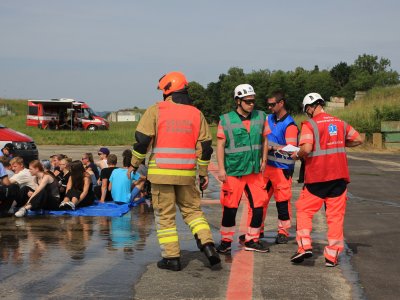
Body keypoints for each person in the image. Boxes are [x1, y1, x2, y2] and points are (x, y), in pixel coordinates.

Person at [130, 71, 220, 271]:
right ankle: (208, 245)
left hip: (161, 174)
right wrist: (203, 173)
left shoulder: (156, 110)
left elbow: (142, 140)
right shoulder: (197, 113)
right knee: (193, 212)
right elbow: (205, 147)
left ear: (167, 90)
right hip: (187, 175)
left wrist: (134, 164)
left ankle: (172, 258)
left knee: (165, 216)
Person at [290, 92, 363, 267]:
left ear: (310, 107)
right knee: (335, 217)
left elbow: (306, 148)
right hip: (339, 178)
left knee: (304, 210)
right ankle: (332, 256)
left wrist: (296, 154)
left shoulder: (310, 125)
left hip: (317, 178)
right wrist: (340, 143)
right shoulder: (339, 123)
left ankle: (304, 246)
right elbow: (358, 139)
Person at [216, 84, 270, 253]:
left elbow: (265, 140)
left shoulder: (261, 117)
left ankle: (252, 239)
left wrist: (264, 160)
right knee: (230, 208)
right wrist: (221, 169)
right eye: (247, 101)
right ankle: (226, 242)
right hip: (234, 171)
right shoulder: (225, 120)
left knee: (259, 205)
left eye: (253, 101)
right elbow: (220, 144)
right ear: (238, 101)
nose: (251, 104)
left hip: (254, 171)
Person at [261, 91, 299, 244]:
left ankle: (283, 232)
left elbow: (292, 148)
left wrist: (272, 147)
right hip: (267, 168)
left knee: (282, 202)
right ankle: (257, 229)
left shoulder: (289, 124)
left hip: (282, 169)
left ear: (281, 103)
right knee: (259, 201)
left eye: (272, 104)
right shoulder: (268, 119)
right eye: (268, 104)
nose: (269, 107)